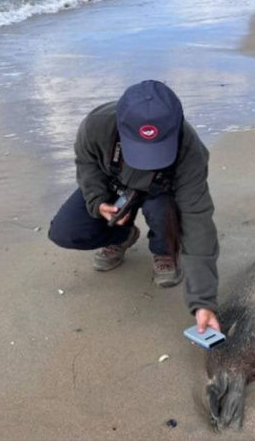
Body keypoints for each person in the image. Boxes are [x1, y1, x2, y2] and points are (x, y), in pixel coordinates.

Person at [48, 80, 220, 333]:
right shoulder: (96, 124)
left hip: (162, 192)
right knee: (65, 231)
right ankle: (123, 234)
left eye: (157, 151)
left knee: (162, 211)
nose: (148, 161)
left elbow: (198, 219)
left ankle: (164, 249)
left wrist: (203, 302)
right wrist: (97, 201)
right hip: (114, 186)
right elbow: (86, 162)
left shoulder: (190, 150)